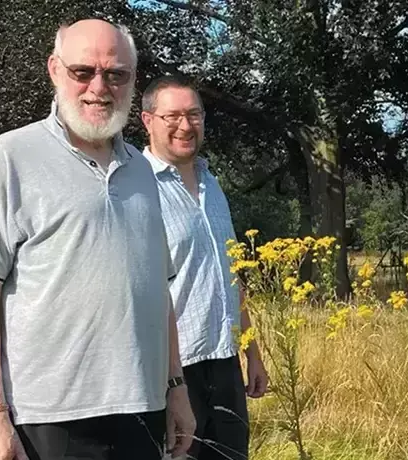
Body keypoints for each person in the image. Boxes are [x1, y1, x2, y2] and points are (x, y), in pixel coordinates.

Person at [0, 19, 195, 460]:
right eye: (82, 72)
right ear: (54, 69)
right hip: (48, 420)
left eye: (116, 74)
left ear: (132, 79)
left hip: (143, 411)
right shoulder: (11, 156)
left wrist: (176, 389)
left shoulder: (142, 171)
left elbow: (155, 289)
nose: (98, 87)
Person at [139, 75, 269, 460]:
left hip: (225, 361)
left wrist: (252, 351)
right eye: (173, 116)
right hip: (174, 372)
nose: (186, 125)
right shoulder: (138, 188)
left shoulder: (212, 183)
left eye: (194, 114)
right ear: (148, 120)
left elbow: (228, 274)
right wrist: (171, 379)